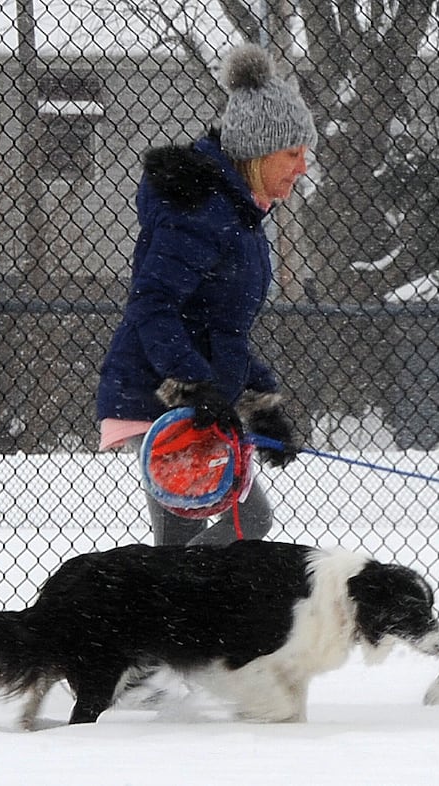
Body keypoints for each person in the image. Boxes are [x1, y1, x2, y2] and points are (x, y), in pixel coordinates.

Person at [96, 43, 313, 546]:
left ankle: (179, 613)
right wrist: (193, 386)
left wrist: (261, 404)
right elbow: (153, 305)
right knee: (199, 536)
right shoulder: (201, 211)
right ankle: (169, 616)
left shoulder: (238, 214)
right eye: (292, 153)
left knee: (240, 523)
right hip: (161, 394)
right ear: (259, 150)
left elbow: (221, 330)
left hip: (191, 395)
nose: (302, 167)